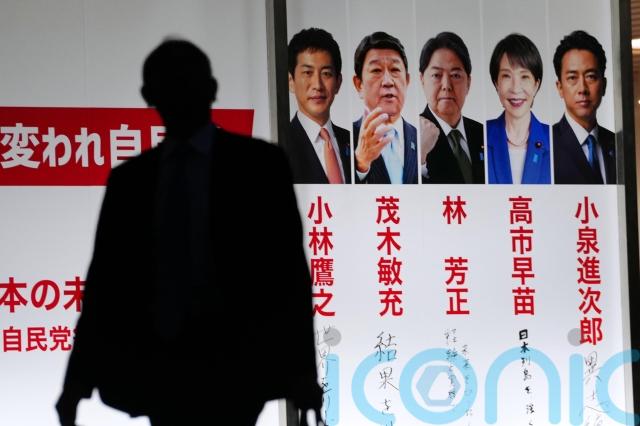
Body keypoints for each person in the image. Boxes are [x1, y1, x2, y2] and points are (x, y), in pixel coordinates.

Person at [56, 39, 322, 426]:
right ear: (151, 96)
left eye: (186, 83)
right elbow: (105, 287)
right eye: (171, 84)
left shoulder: (259, 167)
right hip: (159, 369)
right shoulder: (131, 182)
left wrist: (303, 376)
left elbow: (288, 275)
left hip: (236, 368)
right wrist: (76, 382)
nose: (180, 95)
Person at [285, 28, 351, 184]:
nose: (317, 85)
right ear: (291, 81)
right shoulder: (281, 144)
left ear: (338, 82)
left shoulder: (354, 142)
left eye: (326, 73)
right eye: (308, 73)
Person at [418, 31, 485, 184]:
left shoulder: (483, 134)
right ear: (422, 80)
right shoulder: (412, 136)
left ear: (468, 82)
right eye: (436, 75)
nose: (446, 86)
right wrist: (420, 156)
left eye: (455, 75)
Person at [352, 31, 418, 184]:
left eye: (395, 70)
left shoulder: (421, 138)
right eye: (376, 70)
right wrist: (360, 164)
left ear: (407, 80)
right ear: (359, 85)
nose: (388, 81)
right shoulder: (344, 140)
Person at [486, 33, 550, 184]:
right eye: (506, 76)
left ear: (536, 85)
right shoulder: (481, 136)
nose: (515, 88)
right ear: (496, 84)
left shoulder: (554, 140)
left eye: (524, 77)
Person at [552, 30, 615, 184]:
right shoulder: (546, 145)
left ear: (604, 85)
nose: (582, 89)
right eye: (572, 77)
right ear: (560, 87)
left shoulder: (618, 144)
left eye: (590, 77)